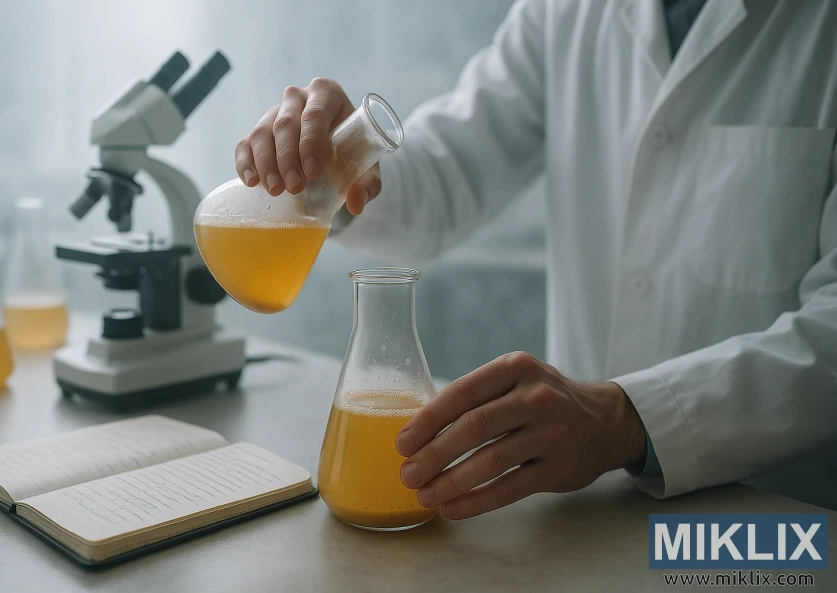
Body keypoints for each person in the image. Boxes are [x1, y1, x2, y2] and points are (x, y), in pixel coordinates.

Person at [235, 0, 837, 516]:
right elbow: (448, 171)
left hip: (778, 523)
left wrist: (632, 417)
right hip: (580, 508)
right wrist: (339, 163)